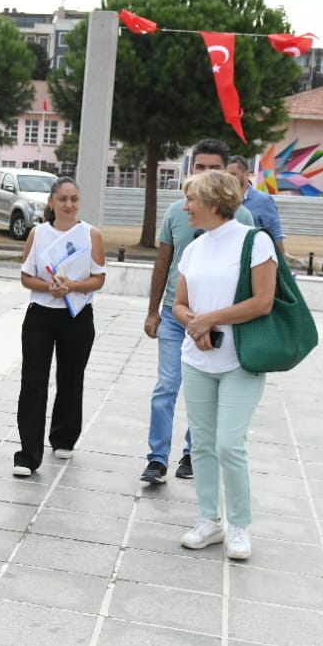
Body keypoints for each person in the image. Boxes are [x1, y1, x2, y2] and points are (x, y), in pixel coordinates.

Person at [173, 170, 277, 561]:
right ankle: (209, 520)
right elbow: (179, 304)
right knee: (201, 444)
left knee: (229, 444)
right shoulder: (194, 248)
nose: (185, 206)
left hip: (240, 359)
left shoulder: (255, 241)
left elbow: (263, 302)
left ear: (214, 202)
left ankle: (239, 526)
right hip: (197, 358)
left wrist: (209, 320)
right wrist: (195, 324)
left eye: (191, 199)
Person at [141, 140, 253, 485]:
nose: (204, 174)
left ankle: (193, 453)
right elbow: (164, 261)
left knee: (204, 390)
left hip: (217, 322)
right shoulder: (178, 211)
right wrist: (153, 311)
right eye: (199, 167)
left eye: (212, 168)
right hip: (176, 316)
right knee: (167, 386)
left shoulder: (242, 218)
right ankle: (157, 458)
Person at [13, 177, 107, 476]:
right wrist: (49, 287)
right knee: (33, 382)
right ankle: (28, 454)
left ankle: (64, 437)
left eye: (74, 199)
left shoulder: (91, 234)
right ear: (51, 202)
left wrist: (73, 286)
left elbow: (98, 278)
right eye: (63, 199)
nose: (68, 204)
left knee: (71, 378)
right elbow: (26, 276)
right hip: (41, 315)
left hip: (77, 315)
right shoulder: (38, 233)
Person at [227, 156, 285, 256]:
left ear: (246, 174)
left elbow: (276, 237)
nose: (228, 179)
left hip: (255, 260)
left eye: (233, 175)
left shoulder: (264, 201)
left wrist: (280, 263)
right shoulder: (221, 200)